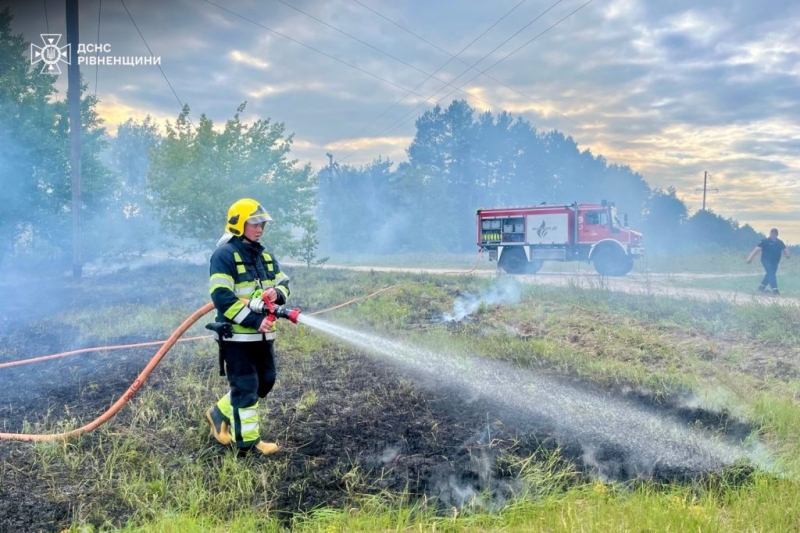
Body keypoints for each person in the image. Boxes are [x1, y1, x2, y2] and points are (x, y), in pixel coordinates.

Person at [205, 198, 291, 456]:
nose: (260, 228)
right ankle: (247, 445)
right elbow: (221, 295)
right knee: (246, 387)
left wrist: (278, 292)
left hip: (264, 336)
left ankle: (219, 411)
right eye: (254, 223)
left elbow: (284, 282)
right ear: (238, 224)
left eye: (262, 223)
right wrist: (254, 320)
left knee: (265, 382)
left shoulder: (264, 255)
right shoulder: (223, 256)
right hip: (237, 338)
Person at [747, 228, 791, 295]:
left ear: (777, 234)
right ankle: (775, 290)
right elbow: (756, 249)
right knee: (771, 273)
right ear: (770, 233)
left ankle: (761, 289)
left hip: (775, 261)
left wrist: (787, 255)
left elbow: (785, 249)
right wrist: (750, 258)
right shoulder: (764, 241)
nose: (773, 234)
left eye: (775, 233)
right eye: (772, 233)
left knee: (770, 274)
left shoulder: (780, 242)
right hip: (765, 260)